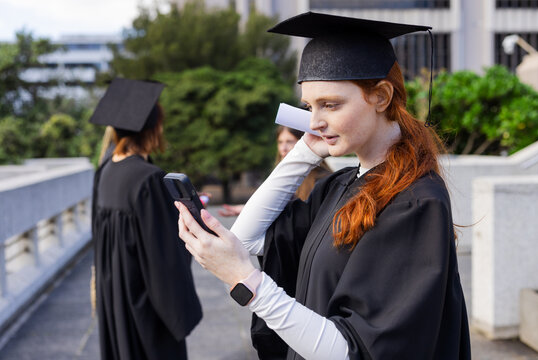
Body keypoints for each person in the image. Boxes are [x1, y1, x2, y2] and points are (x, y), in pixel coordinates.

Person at [176, 11, 470, 360]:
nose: (314, 121)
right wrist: (305, 151)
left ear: (381, 97)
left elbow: (353, 351)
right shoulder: (341, 185)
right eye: (309, 106)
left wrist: (245, 279)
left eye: (330, 104)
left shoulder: (414, 203)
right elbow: (247, 238)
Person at [91, 78, 202, 360]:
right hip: (145, 312)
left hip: (116, 301)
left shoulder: (105, 171)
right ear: (154, 129)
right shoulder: (148, 179)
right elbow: (164, 258)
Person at [219, 125, 331, 216]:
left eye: (290, 141)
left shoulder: (323, 180)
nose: (283, 148)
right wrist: (247, 210)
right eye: (280, 142)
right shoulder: (280, 176)